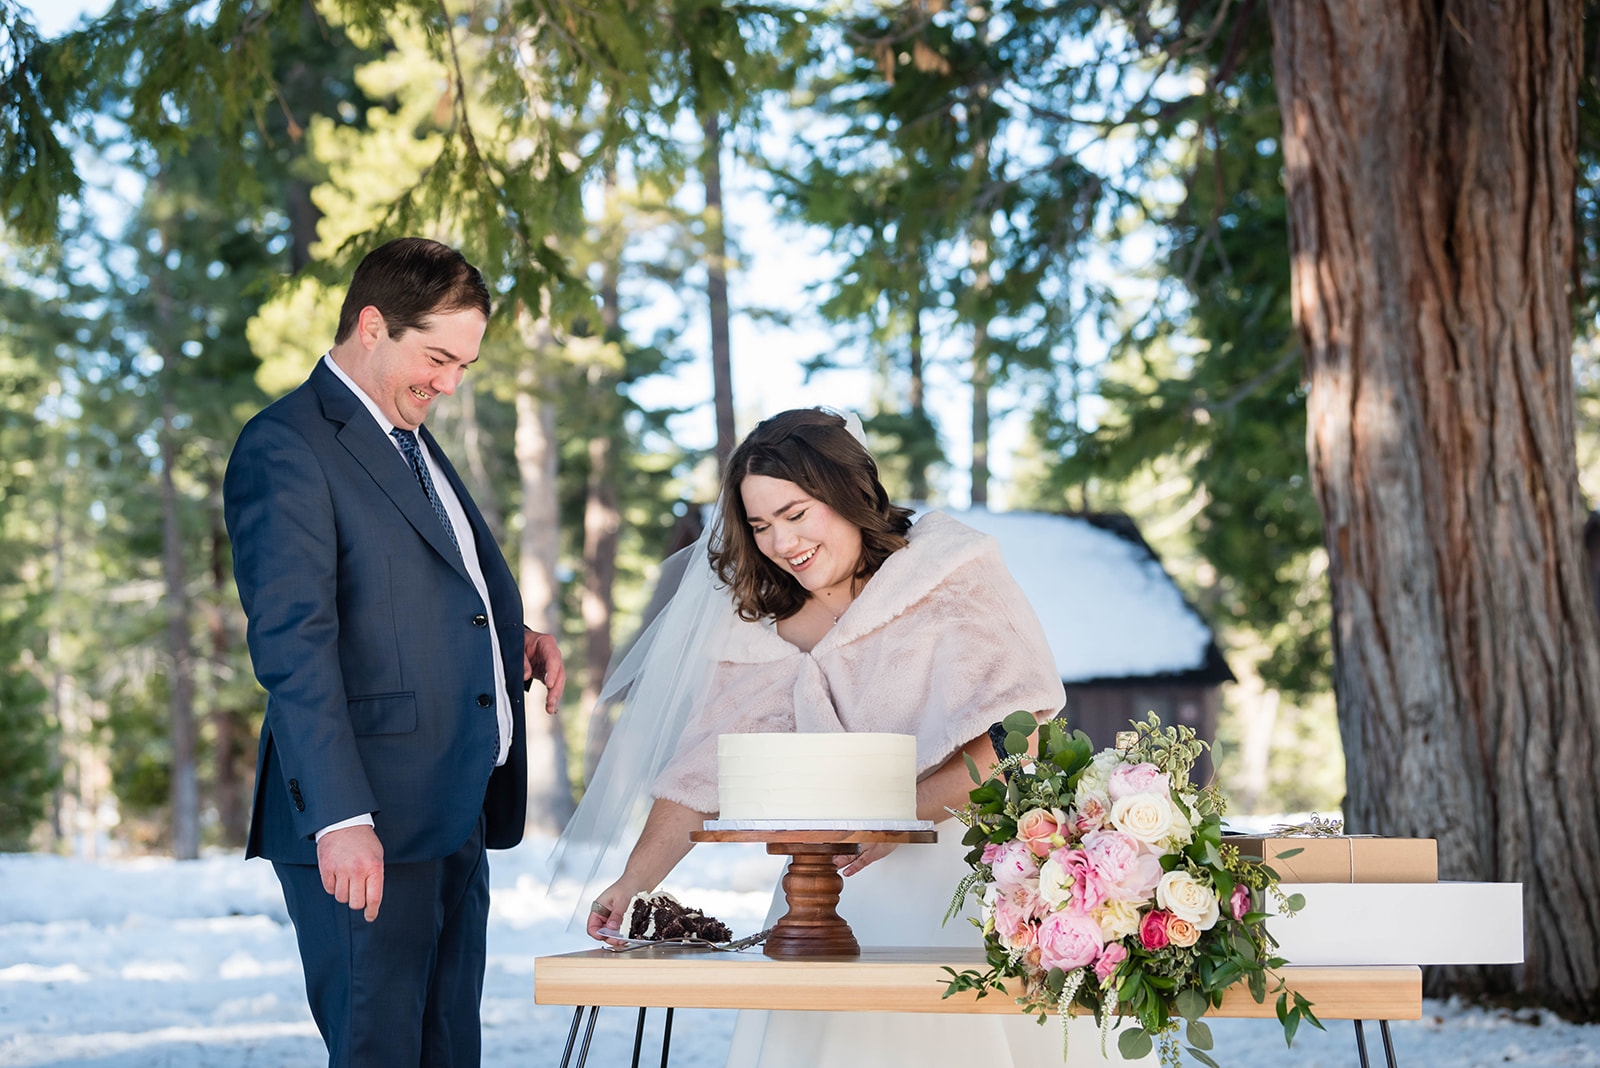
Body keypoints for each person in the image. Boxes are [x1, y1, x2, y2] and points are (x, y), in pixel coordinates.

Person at [573, 409, 1143, 1066]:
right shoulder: (756, 628)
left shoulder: (950, 571)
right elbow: (701, 775)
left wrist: (897, 812)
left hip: (962, 879)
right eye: (759, 525)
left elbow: (1018, 745)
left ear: (847, 492)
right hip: (828, 897)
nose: (780, 542)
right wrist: (632, 883)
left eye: (795, 513)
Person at [223, 237, 566, 1068]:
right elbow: (294, 646)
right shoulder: (287, 445)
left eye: (463, 365)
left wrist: (504, 639)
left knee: (448, 1049)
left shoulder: (406, 434)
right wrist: (341, 818)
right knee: (379, 1051)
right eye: (438, 358)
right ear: (372, 325)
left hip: (452, 809)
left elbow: (413, 588)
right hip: (364, 819)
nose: (449, 383)